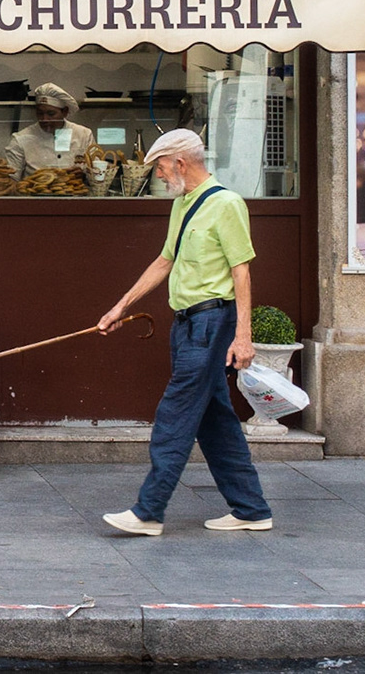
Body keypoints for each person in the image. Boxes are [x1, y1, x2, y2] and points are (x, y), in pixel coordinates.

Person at [96, 129, 273, 536]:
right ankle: (251, 508)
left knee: (175, 413)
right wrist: (121, 307)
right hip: (186, 324)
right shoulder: (182, 204)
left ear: (180, 162)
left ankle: (148, 511)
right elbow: (164, 261)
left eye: (159, 165)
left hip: (212, 323)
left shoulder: (226, 203)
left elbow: (241, 271)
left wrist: (242, 337)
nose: (157, 174)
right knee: (213, 419)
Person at [5, 82, 97, 178]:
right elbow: (11, 179)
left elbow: (98, 171)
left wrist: (85, 173)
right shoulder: (20, 139)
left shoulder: (84, 135)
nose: (44, 119)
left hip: (76, 192)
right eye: (40, 113)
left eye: (51, 114)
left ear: (65, 112)